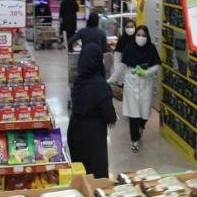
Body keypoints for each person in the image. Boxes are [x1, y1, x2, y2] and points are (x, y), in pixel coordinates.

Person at [68, 43, 117, 178]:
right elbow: (109, 115)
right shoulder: (101, 85)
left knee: (80, 174)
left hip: (75, 131)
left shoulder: (78, 81)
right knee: (96, 177)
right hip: (93, 136)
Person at [118, 25, 161, 153]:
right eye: (138, 35)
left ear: (147, 36)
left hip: (145, 84)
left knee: (145, 113)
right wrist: (114, 79)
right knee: (134, 114)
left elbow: (157, 65)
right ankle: (134, 140)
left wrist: (146, 72)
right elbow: (123, 65)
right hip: (131, 83)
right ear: (135, 35)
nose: (141, 37)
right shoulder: (129, 47)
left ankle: (141, 126)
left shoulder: (151, 48)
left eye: (143, 35)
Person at [108, 19, 136, 85]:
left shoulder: (137, 39)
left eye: (132, 27)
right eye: (127, 27)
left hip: (136, 72)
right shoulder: (122, 39)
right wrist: (118, 71)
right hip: (123, 72)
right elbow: (117, 57)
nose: (130, 29)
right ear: (124, 28)